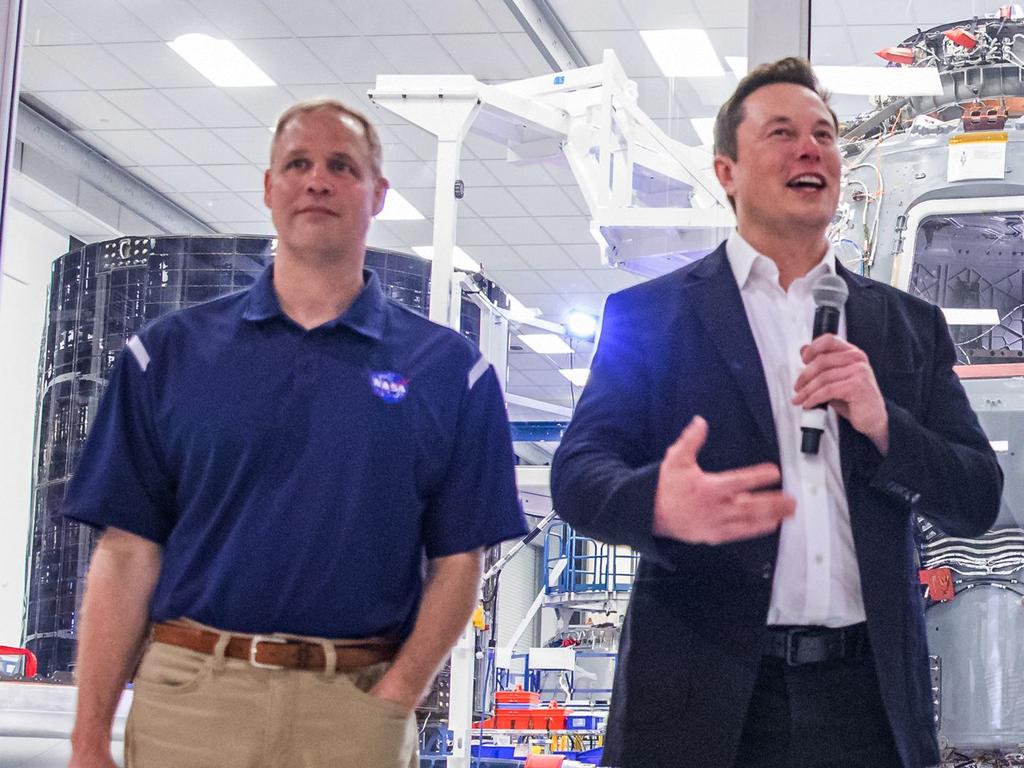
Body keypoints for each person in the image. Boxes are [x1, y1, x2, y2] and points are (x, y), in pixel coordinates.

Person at [551, 58, 1002, 768]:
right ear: (726, 171)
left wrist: (884, 423)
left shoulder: (907, 327)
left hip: (868, 705)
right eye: (783, 133)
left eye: (824, 134)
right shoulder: (653, 316)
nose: (810, 148)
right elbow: (578, 474)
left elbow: (976, 498)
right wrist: (657, 504)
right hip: (701, 701)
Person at [64, 99, 527, 768]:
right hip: (192, 703)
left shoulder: (451, 373)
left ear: (377, 195)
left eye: (342, 166)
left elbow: (459, 563)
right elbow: (127, 553)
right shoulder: (167, 356)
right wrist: (88, 740)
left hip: (355, 710)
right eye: (298, 164)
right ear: (269, 187)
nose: (317, 180)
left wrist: (397, 698)